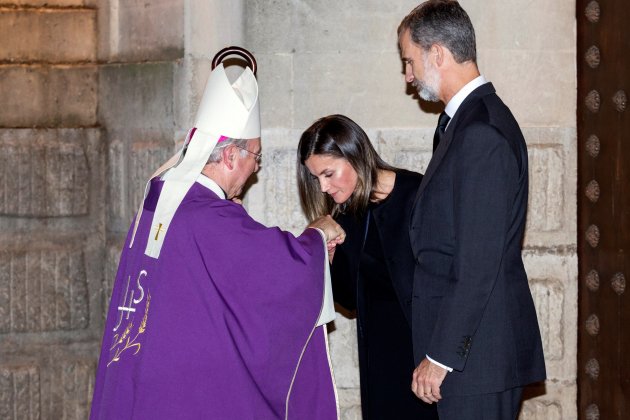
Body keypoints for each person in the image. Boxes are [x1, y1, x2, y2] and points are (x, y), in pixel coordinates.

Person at [90, 48, 343, 420]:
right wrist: (316, 237)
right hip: (185, 392)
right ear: (229, 157)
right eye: (254, 157)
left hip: (148, 378)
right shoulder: (208, 216)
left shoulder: (161, 196)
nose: (254, 170)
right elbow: (279, 271)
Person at [398, 1, 546, 418]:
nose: (408, 77)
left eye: (409, 61)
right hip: (472, 357)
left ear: (438, 53)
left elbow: (478, 260)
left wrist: (441, 356)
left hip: (476, 359)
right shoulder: (462, 123)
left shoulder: (481, 131)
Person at [297, 114, 438, 420]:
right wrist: (330, 258)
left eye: (329, 173)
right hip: (379, 357)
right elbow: (349, 300)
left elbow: (449, 282)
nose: (323, 187)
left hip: (425, 356)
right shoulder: (347, 213)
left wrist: (439, 357)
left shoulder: (418, 194)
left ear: (354, 155)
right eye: (317, 178)